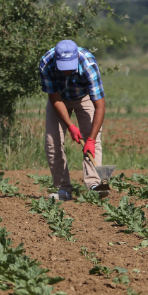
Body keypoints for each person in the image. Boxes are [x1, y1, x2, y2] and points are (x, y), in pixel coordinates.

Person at [40, 40, 107, 201]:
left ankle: (95, 185)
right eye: (64, 67)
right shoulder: (46, 64)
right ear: (56, 60)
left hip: (84, 98)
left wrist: (89, 139)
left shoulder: (88, 65)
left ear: (77, 57)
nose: (67, 71)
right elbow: (55, 99)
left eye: (70, 66)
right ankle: (63, 189)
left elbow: (100, 106)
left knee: (94, 140)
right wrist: (70, 126)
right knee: (52, 142)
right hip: (60, 100)